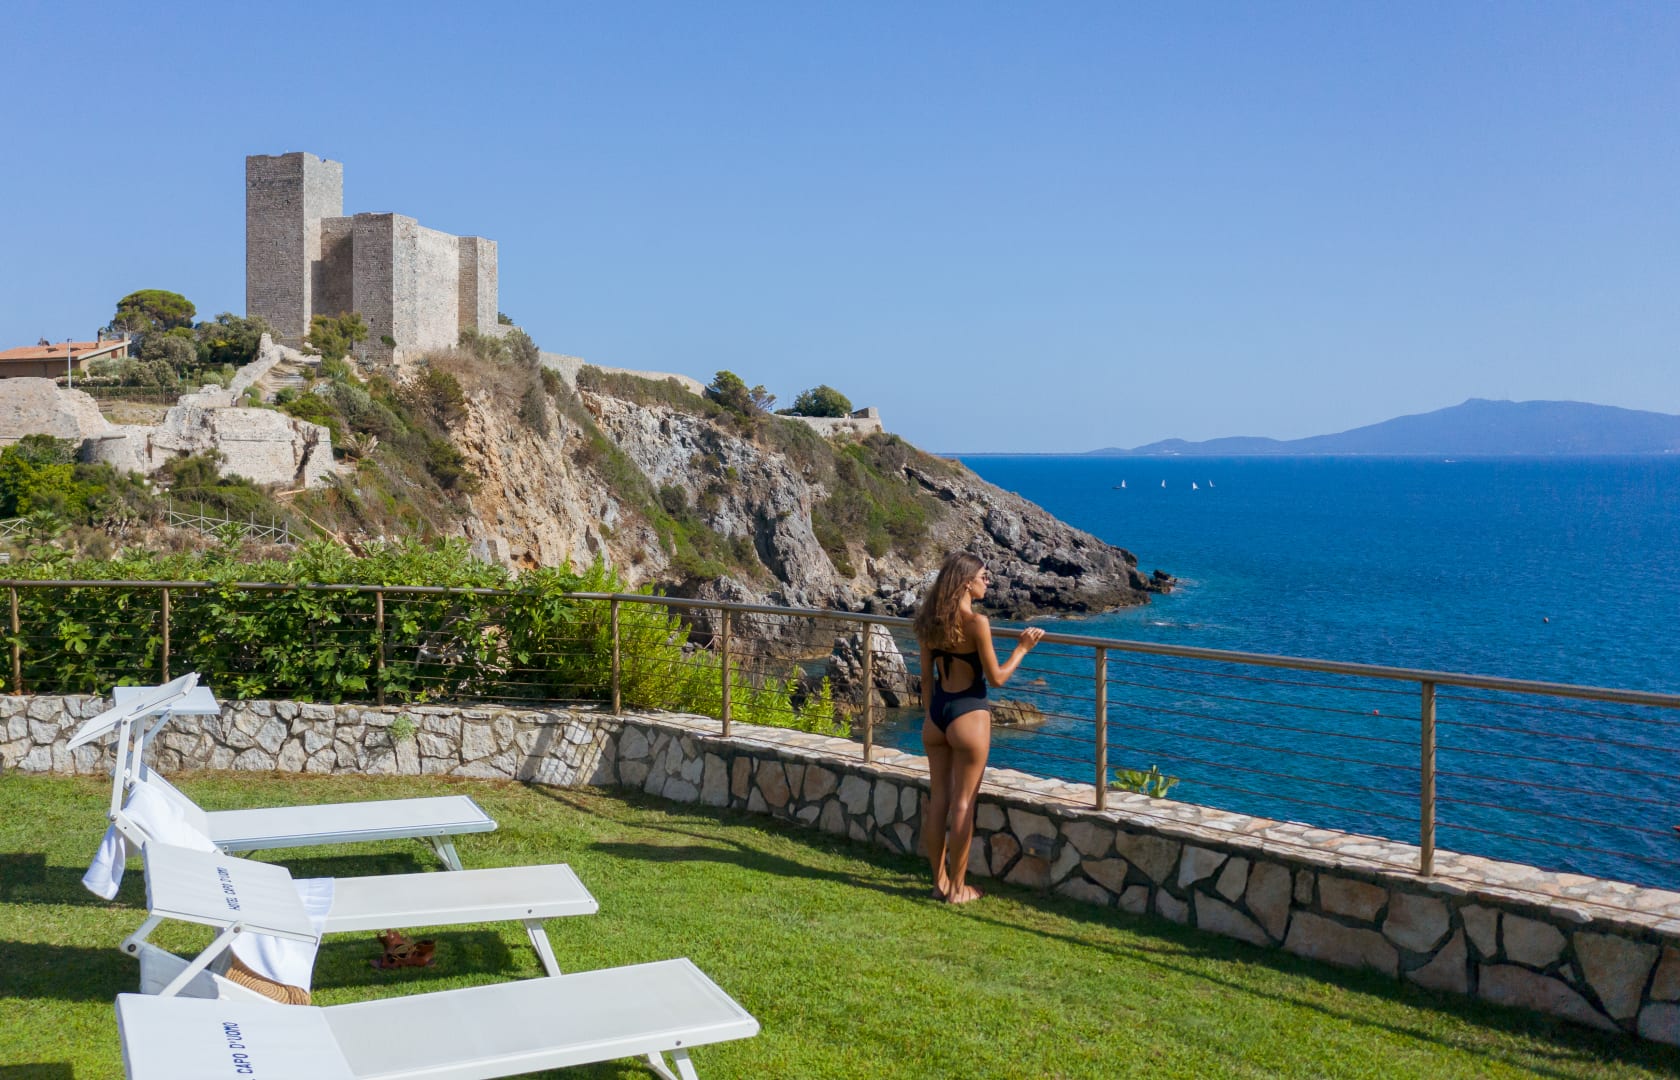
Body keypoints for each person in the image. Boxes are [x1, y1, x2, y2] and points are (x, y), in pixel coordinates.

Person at [912, 552, 1044, 904]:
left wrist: (931, 715)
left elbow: (925, 678)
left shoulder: (927, 621)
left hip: (937, 716)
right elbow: (997, 678)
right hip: (968, 714)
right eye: (983, 576)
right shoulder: (976, 623)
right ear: (966, 582)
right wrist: (1022, 648)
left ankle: (938, 883)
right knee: (963, 803)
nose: (988, 582)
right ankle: (958, 890)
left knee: (938, 799)